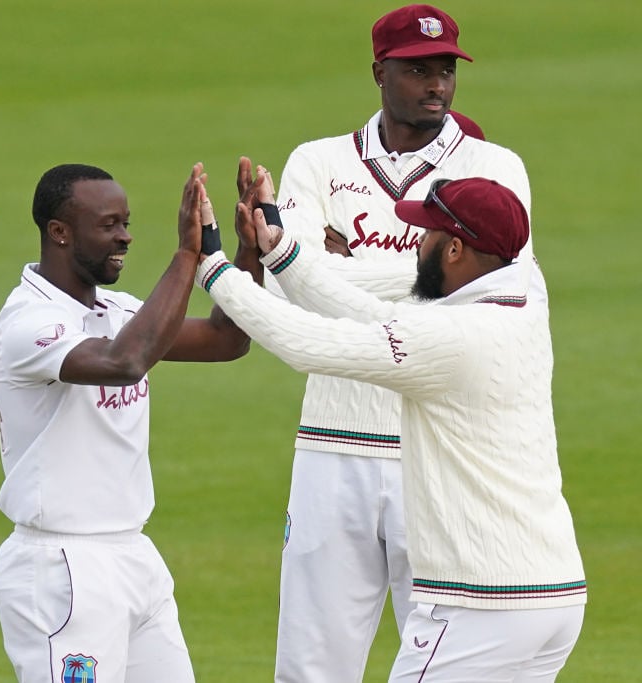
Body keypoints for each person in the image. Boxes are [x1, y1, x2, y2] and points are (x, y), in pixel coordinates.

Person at [197, 175, 586, 681]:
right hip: (554, 597)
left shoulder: (455, 336)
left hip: (480, 606)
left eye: (425, 235)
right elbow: (377, 317)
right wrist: (282, 254)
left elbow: (306, 344)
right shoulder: (527, 293)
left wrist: (215, 269)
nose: (415, 246)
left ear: (454, 249)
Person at [270, 6, 543, 680]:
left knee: (444, 663)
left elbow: (496, 288)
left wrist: (327, 264)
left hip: (439, 453)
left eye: (446, 68)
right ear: (378, 72)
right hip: (331, 447)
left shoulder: (495, 168)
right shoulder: (317, 161)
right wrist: (403, 275)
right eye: (419, 69)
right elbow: (285, 293)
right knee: (310, 665)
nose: (438, 83)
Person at [0, 161, 260, 682]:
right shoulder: (29, 322)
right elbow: (123, 363)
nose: (127, 236)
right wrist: (186, 255)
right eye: (109, 224)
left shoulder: (118, 310)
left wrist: (243, 251)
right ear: (60, 233)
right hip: (62, 566)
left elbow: (228, 340)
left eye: (127, 221)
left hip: (134, 554)